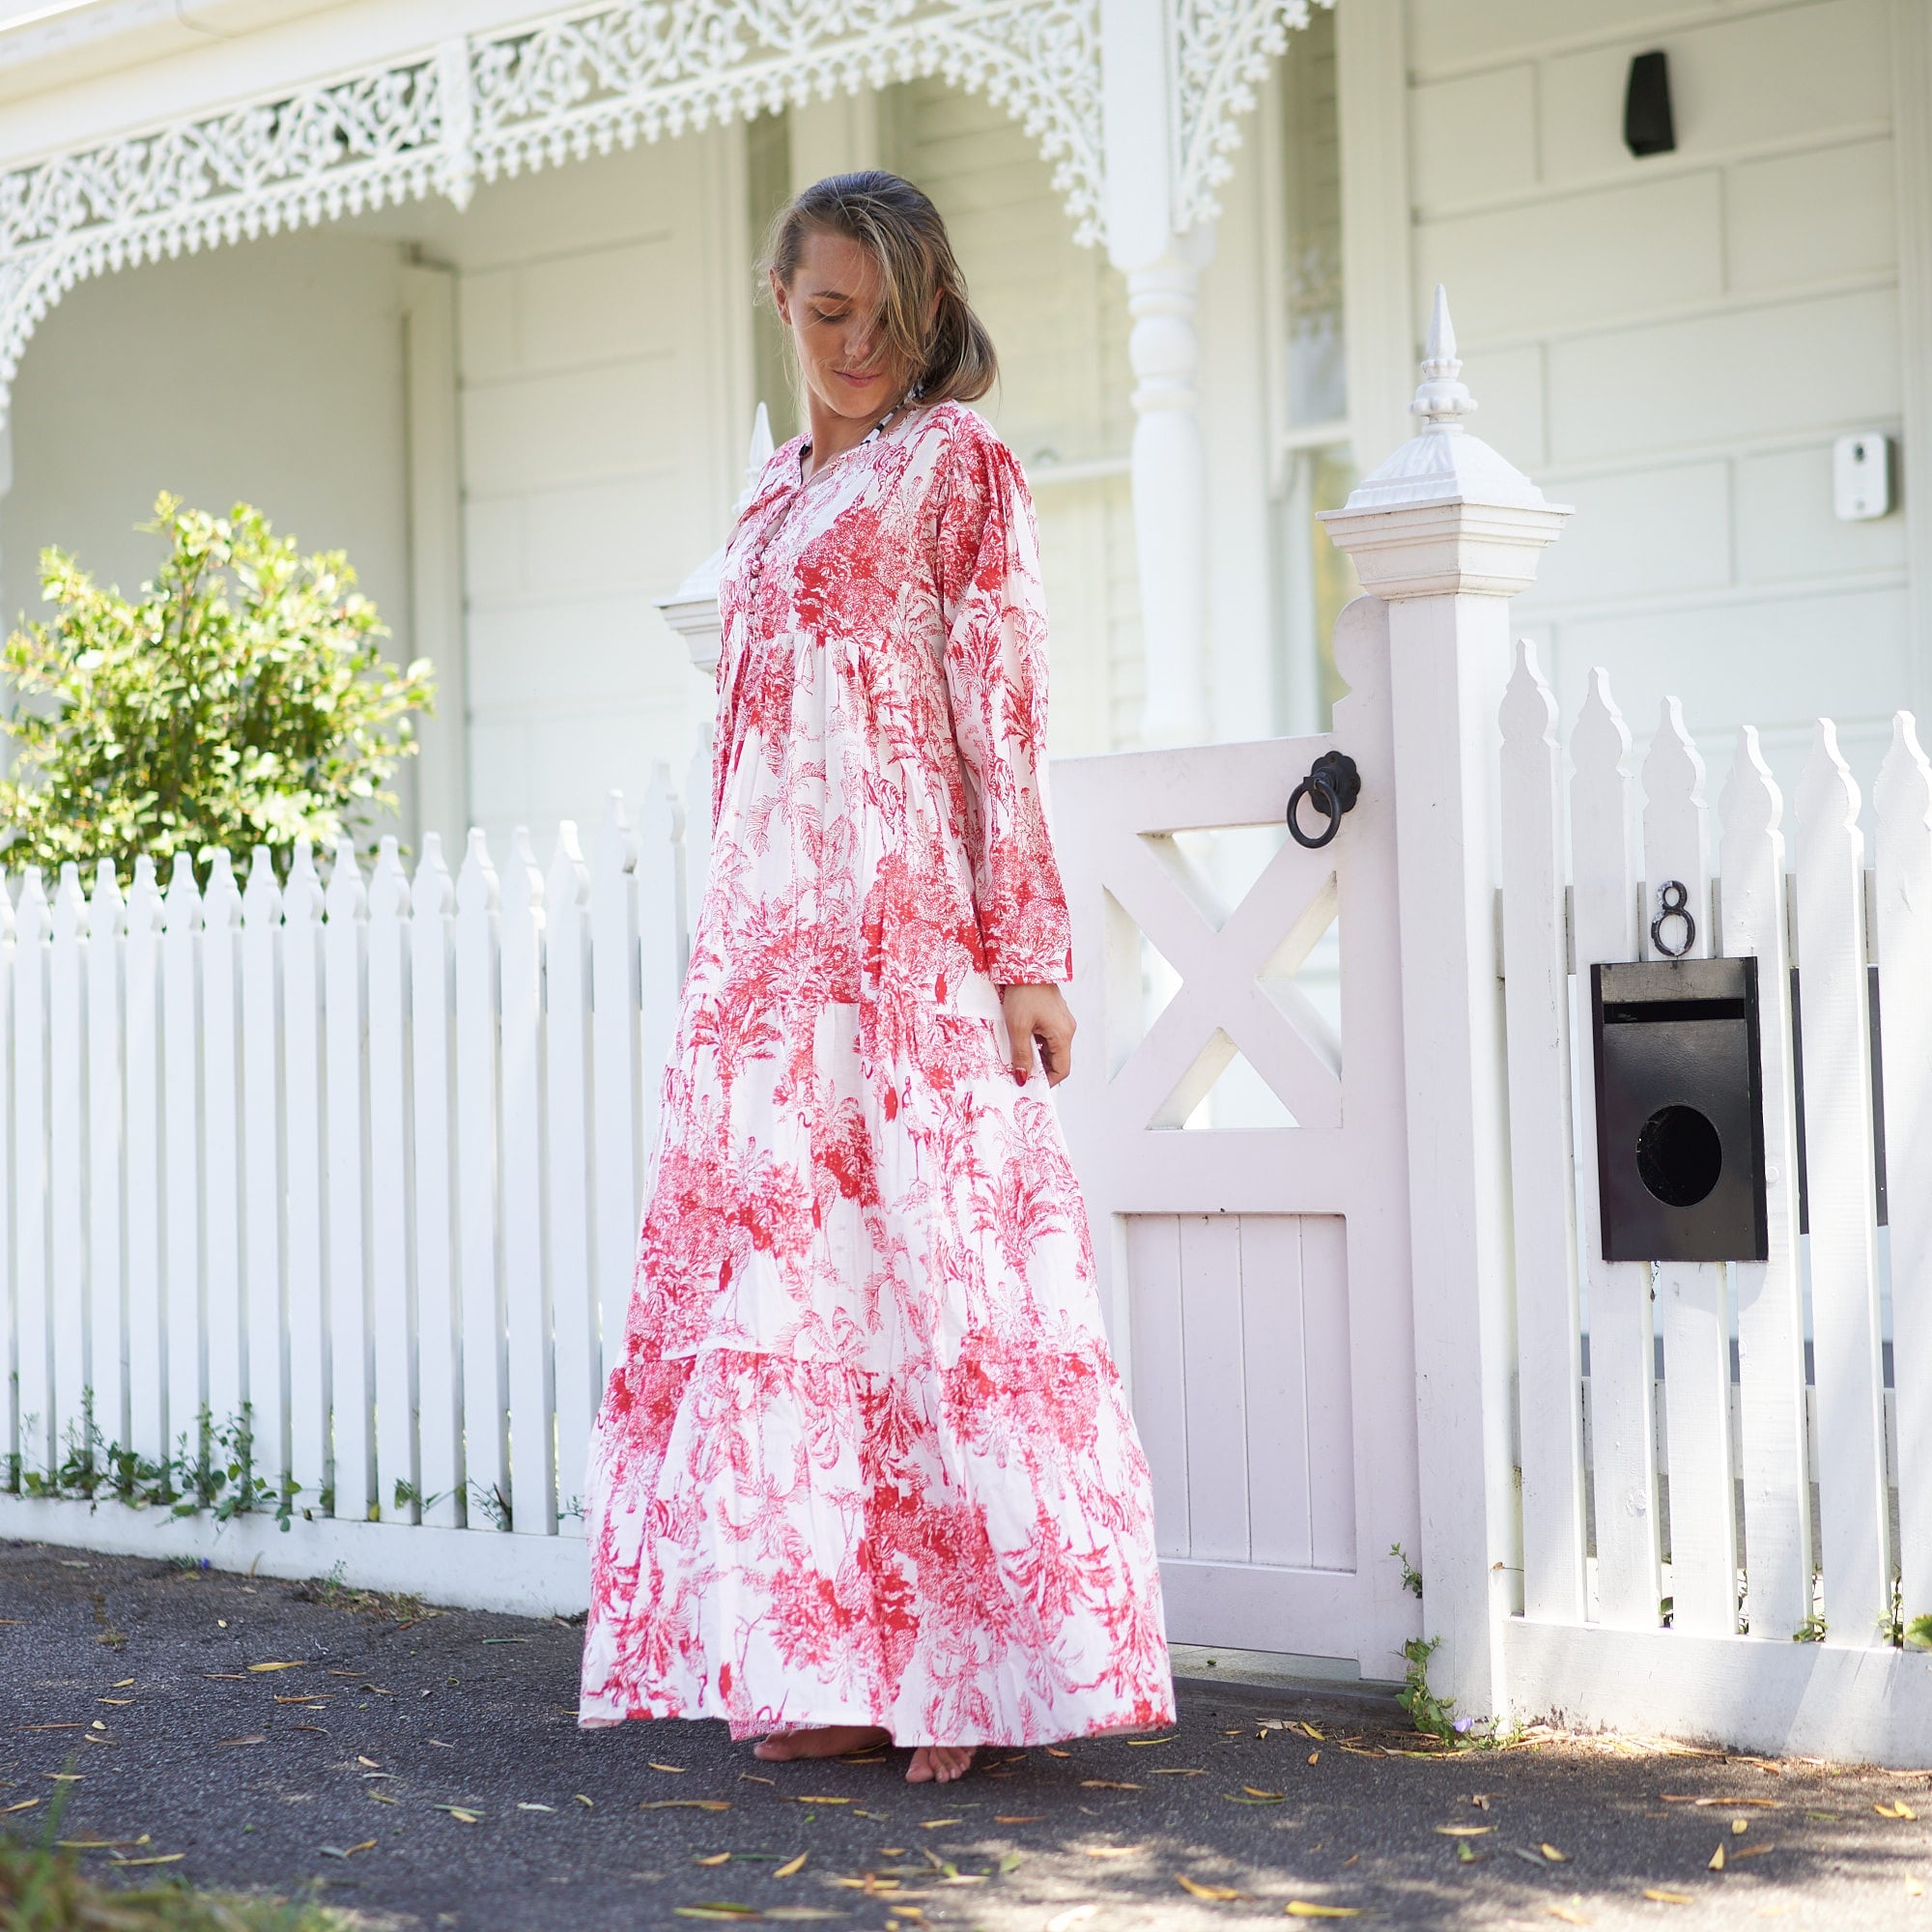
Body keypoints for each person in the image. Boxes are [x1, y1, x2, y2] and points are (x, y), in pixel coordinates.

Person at [578, 170, 1173, 1785]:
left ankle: (976, 1672)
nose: (856, 346)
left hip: (911, 947)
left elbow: (1006, 718)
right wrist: (730, 970)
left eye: (887, 320)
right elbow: (745, 749)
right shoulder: (767, 498)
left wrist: (1029, 953)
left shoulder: (959, 467)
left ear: (926, 319)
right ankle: (832, 1665)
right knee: (805, 1304)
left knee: (937, 1282)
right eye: (829, 312)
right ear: (780, 299)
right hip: (774, 972)